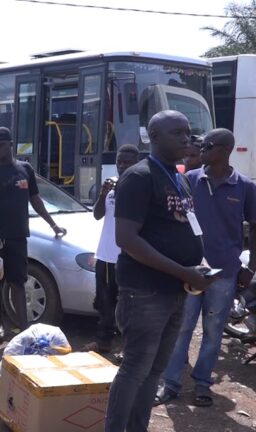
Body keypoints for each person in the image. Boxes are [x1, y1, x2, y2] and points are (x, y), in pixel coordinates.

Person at [105, 110, 212, 432]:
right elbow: (126, 239)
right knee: (136, 368)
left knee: (156, 370)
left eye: (188, 131)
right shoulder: (139, 177)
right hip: (145, 291)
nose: (186, 138)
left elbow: (181, 227)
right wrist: (183, 271)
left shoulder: (178, 177)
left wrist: (198, 267)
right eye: (177, 132)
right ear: (154, 137)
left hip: (176, 289)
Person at [156, 128, 256, 407]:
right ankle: (171, 383)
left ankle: (202, 383)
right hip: (189, 270)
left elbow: (255, 227)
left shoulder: (245, 187)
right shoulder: (189, 180)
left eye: (207, 146)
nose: (201, 151)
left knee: (213, 332)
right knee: (182, 328)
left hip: (224, 273)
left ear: (224, 150)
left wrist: (250, 269)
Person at [0, 126, 66, 340]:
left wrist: (53, 225)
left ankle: (23, 329)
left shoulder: (25, 170)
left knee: (18, 282)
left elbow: (35, 199)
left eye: (1, 145)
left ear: (11, 144)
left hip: (18, 236)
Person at [85, 144, 140, 355]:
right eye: (119, 161)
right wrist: (102, 194)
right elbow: (98, 215)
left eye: (128, 162)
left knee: (128, 307)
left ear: (137, 163)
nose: (122, 166)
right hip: (106, 255)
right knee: (104, 303)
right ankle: (103, 343)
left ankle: (128, 349)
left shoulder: (140, 186)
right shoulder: (110, 186)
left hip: (129, 257)